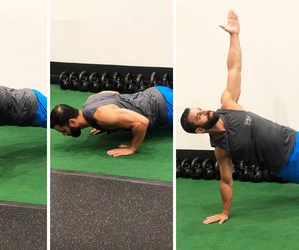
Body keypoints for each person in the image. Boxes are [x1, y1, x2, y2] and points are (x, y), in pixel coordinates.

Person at [180, 10, 299, 225]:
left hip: (294, 138)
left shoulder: (228, 105)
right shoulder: (222, 149)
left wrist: (234, 35)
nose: (205, 111)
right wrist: (225, 211)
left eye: (201, 108)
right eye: (199, 116)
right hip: (287, 165)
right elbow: (227, 181)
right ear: (199, 130)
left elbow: (234, 67)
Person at [51, 85, 173, 157]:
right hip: (155, 91)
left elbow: (141, 122)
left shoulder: (101, 116)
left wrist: (132, 148)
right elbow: (114, 94)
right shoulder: (90, 100)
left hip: (166, 105)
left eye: (64, 130)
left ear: (72, 122)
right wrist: (105, 125)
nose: (66, 134)